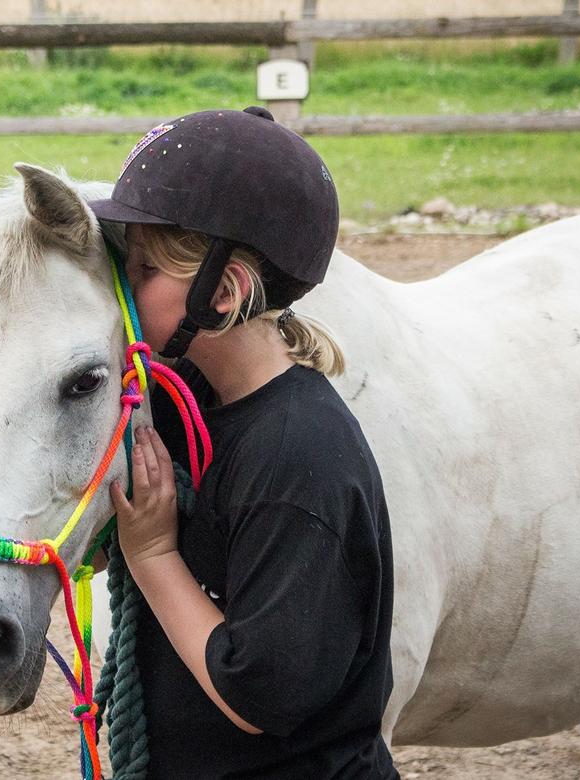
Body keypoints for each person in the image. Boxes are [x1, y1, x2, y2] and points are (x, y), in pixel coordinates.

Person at [89, 108, 399, 779]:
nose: (122, 293)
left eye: (142, 270)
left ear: (221, 293)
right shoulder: (194, 404)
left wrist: (152, 555)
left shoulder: (298, 457)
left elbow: (258, 694)